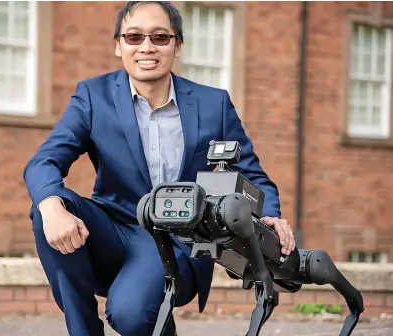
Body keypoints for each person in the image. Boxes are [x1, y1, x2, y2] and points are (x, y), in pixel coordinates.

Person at [23, 1, 296, 335]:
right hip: (115, 227)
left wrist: (269, 216)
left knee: (131, 315)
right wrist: (50, 207)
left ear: (177, 45)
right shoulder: (93, 96)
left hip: (180, 240)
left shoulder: (214, 105)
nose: (146, 47)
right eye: (134, 37)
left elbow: (252, 174)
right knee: (47, 206)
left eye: (160, 37)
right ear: (118, 45)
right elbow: (44, 161)